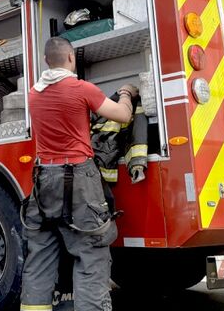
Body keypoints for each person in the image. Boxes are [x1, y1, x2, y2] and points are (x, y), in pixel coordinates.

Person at [20, 37, 138, 311]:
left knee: (40, 257)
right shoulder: (82, 88)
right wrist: (126, 92)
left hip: (43, 180)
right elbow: (122, 115)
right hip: (78, 178)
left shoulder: (33, 94)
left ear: (47, 61)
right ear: (71, 59)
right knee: (90, 254)